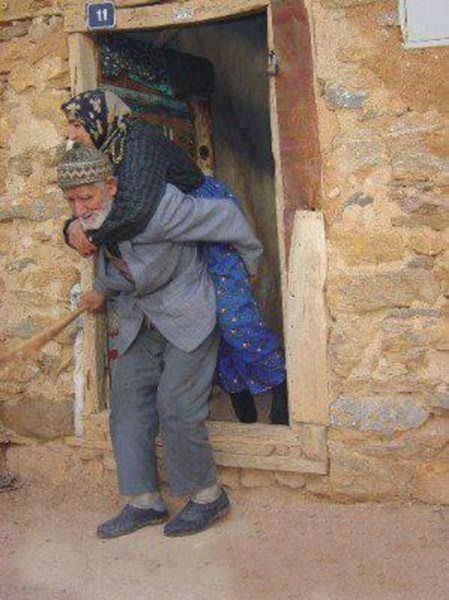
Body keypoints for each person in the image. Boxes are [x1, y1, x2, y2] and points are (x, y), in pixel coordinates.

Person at [57, 143, 265, 537]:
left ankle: (207, 495)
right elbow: (117, 259)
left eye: (87, 198)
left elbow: (226, 216)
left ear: (111, 186)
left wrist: (250, 269)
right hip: (141, 319)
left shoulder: (162, 207)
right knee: (127, 403)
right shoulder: (94, 222)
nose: (80, 209)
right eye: (72, 201)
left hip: (188, 312)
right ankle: (144, 501)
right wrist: (96, 278)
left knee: (177, 405)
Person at [61, 89, 288, 425]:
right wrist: (70, 226)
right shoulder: (104, 147)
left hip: (204, 217)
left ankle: (279, 382)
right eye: (70, 125)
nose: (71, 134)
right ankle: (237, 389)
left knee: (234, 317)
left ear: (99, 118)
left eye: (77, 124)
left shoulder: (137, 141)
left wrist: (250, 261)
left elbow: (136, 210)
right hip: (175, 231)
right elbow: (92, 200)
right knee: (208, 315)